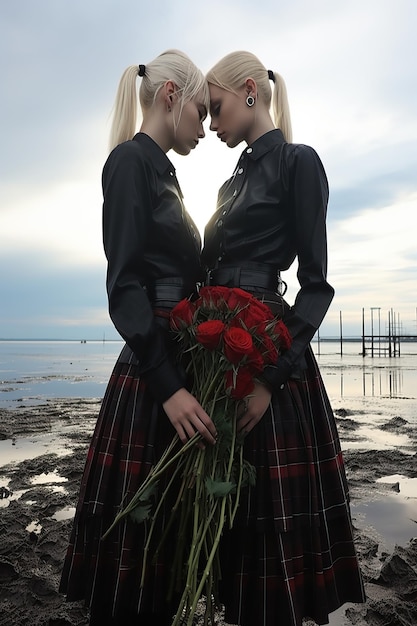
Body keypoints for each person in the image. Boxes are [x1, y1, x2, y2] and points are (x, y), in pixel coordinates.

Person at [202, 51, 366, 626]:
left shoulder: (299, 163)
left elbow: (316, 288)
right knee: (226, 520)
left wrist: (271, 377)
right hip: (216, 352)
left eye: (216, 108)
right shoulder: (232, 177)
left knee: (272, 530)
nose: (210, 123)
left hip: (270, 357)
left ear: (251, 91)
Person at [59, 49, 217, 626]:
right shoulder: (129, 162)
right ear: (171, 97)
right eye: (201, 112)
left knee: (165, 538)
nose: (204, 128)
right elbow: (124, 286)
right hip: (154, 370)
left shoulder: (163, 168)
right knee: (136, 542)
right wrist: (170, 387)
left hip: (177, 360)